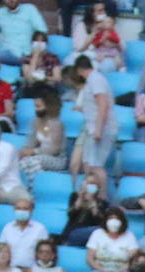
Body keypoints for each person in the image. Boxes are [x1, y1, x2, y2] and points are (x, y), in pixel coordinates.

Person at [71, 56, 116, 193]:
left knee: (96, 167)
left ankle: (102, 199)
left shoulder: (96, 79)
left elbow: (103, 104)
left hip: (100, 129)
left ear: (78, 70)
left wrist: (98, 129)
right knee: (89, 166)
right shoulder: (92, 81)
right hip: (92, 128)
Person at [18, 94, 67, 183]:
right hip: (39, 156)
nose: (36, 109)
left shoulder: (57, 124)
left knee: (32, 161)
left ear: (48, 107)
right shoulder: (36, 122)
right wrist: (23, 151)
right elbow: (31, 142)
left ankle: (34, 187)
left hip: (56, 159)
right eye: (35, 106)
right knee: (21, 160)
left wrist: (34, 151)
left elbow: (54, 149)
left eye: (38, 106)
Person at [86, 207, 137, 272]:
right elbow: (89, 259)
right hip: (100, 269)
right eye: (111, 218)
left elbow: (132, 261)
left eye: (117, 218)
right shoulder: (97, 234)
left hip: (121, 270)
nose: (114, 221)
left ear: (122, 221)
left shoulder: (129, 236)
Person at [0, 0, 48, 65]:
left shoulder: (30, 9)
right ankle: (26, 61)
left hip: (28, 52)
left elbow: (42, 30)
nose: (11, 0)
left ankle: (27, 61)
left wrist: (37, 53)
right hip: (8, 53)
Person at [0, 200, 48, 271]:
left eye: (25, 209)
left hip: (33, 271)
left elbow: (44, 253)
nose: (22, 211)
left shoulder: (40, 229)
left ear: (31, 211)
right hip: (11, 271)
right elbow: (0, 250)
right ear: (14, 210)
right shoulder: (7, 228)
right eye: (19, 208)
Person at [62, 180, 107, 247]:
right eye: (88, 184)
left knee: (100, 230)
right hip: (73, 233)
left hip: (90, 236)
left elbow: (100, 221)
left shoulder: (102, 203)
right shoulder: (75, 196)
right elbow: (70, 214)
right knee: (100, 230)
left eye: (92, 184)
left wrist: (92, 202)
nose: (89, 187)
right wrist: (80, 198)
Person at [20, 31, 62, 97]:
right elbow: (28, 77)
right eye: (36, 41)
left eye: (42, 41)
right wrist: (35, 56)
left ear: (46, 43)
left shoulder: (53, 58)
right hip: (32, 87)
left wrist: (45, 78)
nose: (39, 44)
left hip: (48, 87)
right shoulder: (27, 58)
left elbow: (58, 78)